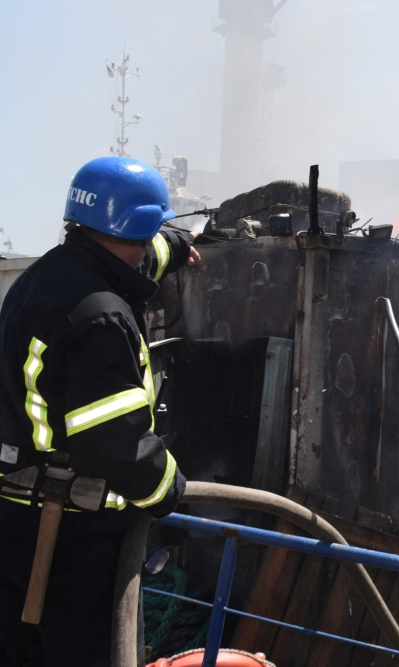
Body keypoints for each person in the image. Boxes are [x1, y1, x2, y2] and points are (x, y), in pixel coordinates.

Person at [0, 156, 199, 665]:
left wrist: (174, 247)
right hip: (71, 540)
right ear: (139, 226)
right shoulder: (102, 319)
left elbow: (129, 256)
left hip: (15, 520)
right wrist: (171, 491)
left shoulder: (44, 276)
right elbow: (115, 446)